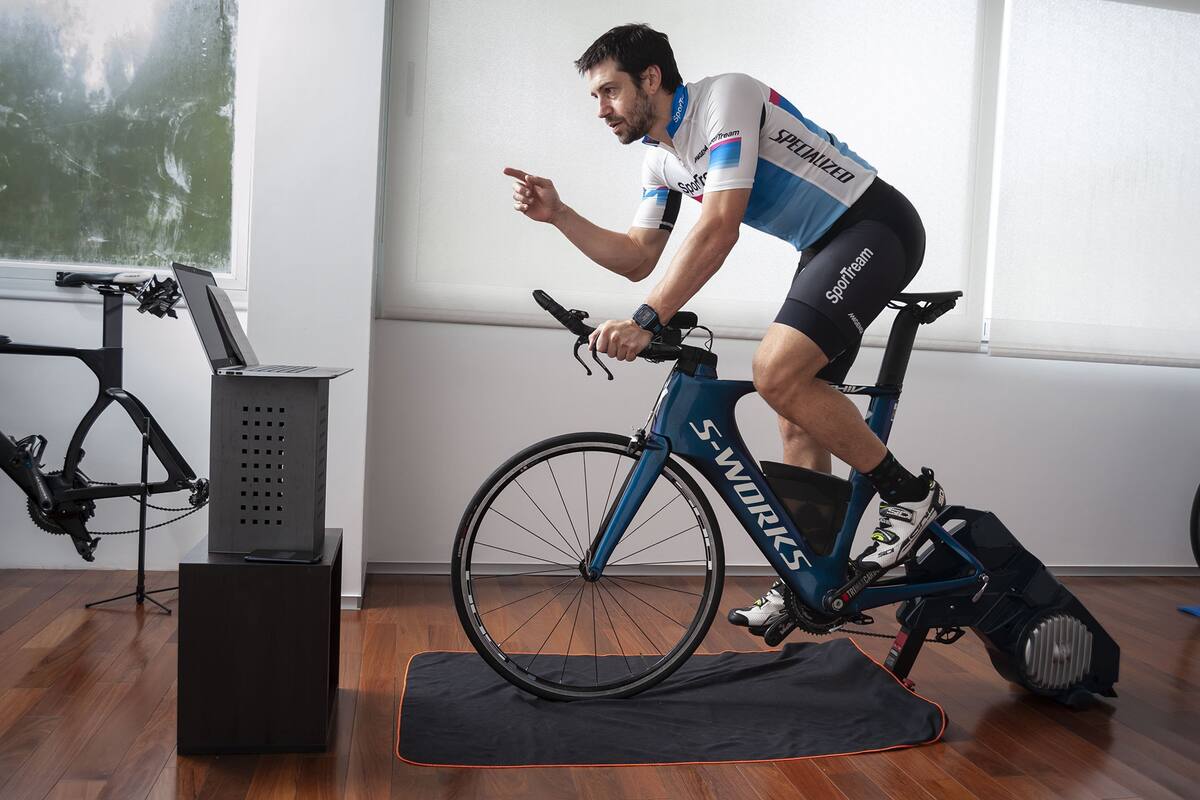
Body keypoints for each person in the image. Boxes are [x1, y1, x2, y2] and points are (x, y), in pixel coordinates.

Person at [503, 23, 945, 635]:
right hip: (822, 247)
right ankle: (812, 578)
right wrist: (561, 217)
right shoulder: (660, 160)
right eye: (595, 99)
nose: (601, 110)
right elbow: (638, 257)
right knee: (795, 412)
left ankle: (909, 495)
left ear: (651, 79)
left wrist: (644, 320)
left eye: (608, 92)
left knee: (775, 373)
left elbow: (719, 226)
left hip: (874, 226)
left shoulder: (724, 100)